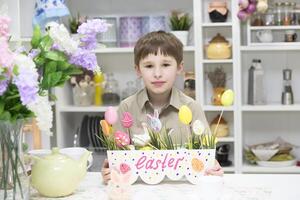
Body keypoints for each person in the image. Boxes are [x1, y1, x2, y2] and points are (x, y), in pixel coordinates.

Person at [101, 31, 223, 184]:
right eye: (149, 66)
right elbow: (118, 158)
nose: (157, 74)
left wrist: (212, 166)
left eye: (165, 65)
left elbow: (205, 156)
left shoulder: (192, 108)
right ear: (138, 70)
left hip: (183, 191)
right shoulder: (126, 108)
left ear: (179, 68)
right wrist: (110, 170)